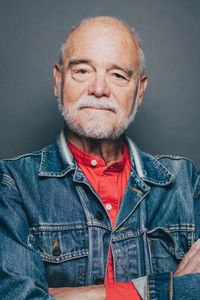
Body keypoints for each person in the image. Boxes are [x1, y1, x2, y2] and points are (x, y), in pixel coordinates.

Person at [0, 16, 200, 300]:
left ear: (140, 90)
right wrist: (171, 290)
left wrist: (97, 294)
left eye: (118, 75)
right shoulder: (13, 184)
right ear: (58, 80)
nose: (99, 89)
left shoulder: (185, 183)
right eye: (82, 70)